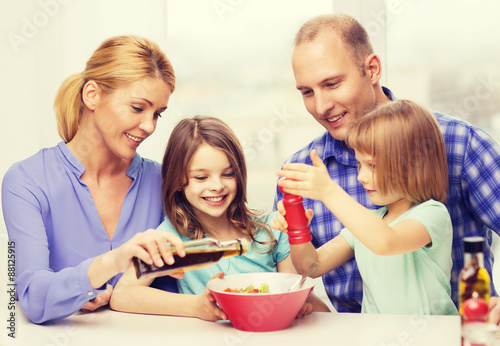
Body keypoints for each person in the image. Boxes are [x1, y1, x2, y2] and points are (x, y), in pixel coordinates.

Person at [274, 13, 500, 317]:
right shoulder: (304, 171)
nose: (321, 106)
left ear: (372, 69)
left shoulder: (459, 146)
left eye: (332, 83)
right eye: (307, 92)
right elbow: (306, 269)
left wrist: (328, 191)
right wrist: (296, 226)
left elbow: (385, 241)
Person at [1, 35, 186, 324]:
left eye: (157, 115)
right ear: (92, 95)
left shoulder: (162, 180)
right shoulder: (26, 182)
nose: (149, 126)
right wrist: (110, 263)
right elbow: (31, 296)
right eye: (138, 108)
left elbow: (182, 281)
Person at [110, 115, 330, 320]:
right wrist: (197, 306)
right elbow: (123, 294)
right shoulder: (171, 239)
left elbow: (295, 292)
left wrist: (297, 306)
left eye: (228, 173)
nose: (217, 186)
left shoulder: (271, 229)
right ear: (178, 181)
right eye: (201, 177)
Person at [272, 100, 458, 315]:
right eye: (360, 164)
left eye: (373, 166)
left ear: (414, 165)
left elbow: (386, 242)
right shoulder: (367, 225)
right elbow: (311, 267)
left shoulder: (432, 214)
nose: (361, 176)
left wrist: (328, 191)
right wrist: (298, 230)